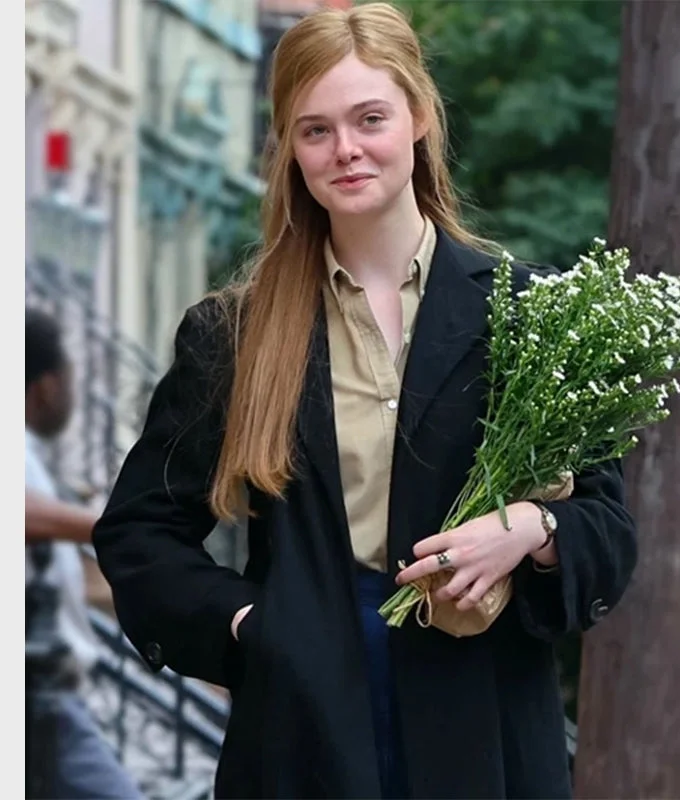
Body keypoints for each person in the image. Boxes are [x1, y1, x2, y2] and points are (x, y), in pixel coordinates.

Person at [91, 3, 638, 798]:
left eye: (369, 118)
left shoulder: (530, 315)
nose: (344, 150)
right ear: (288, 149)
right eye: (314, 130)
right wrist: (251, 627)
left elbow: (610, 531)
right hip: (305, 722)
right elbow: (140, 534)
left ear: (417, 116)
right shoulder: (234, 334)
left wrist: (528, 530)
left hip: (482, 725)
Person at [25, 306, 144, 799]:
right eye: (70, 377)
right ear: (48, 384)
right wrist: (113, 528)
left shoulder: (29, 454)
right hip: (36, 694)